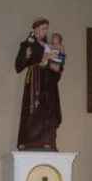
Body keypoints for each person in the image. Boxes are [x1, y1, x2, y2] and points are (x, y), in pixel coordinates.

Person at [15, 18, 63, 151]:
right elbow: (18, 66)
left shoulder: (50, 46)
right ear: (35, 30)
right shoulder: (28, 45)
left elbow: (56, 68)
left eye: (46, 28)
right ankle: (32, 140)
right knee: (35, 108)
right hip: (35, 82)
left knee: (49, 110)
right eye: (43, 28)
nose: (45, 31)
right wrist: (30, 57)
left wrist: (58, 66)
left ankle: (48, 139)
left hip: (49, 83)